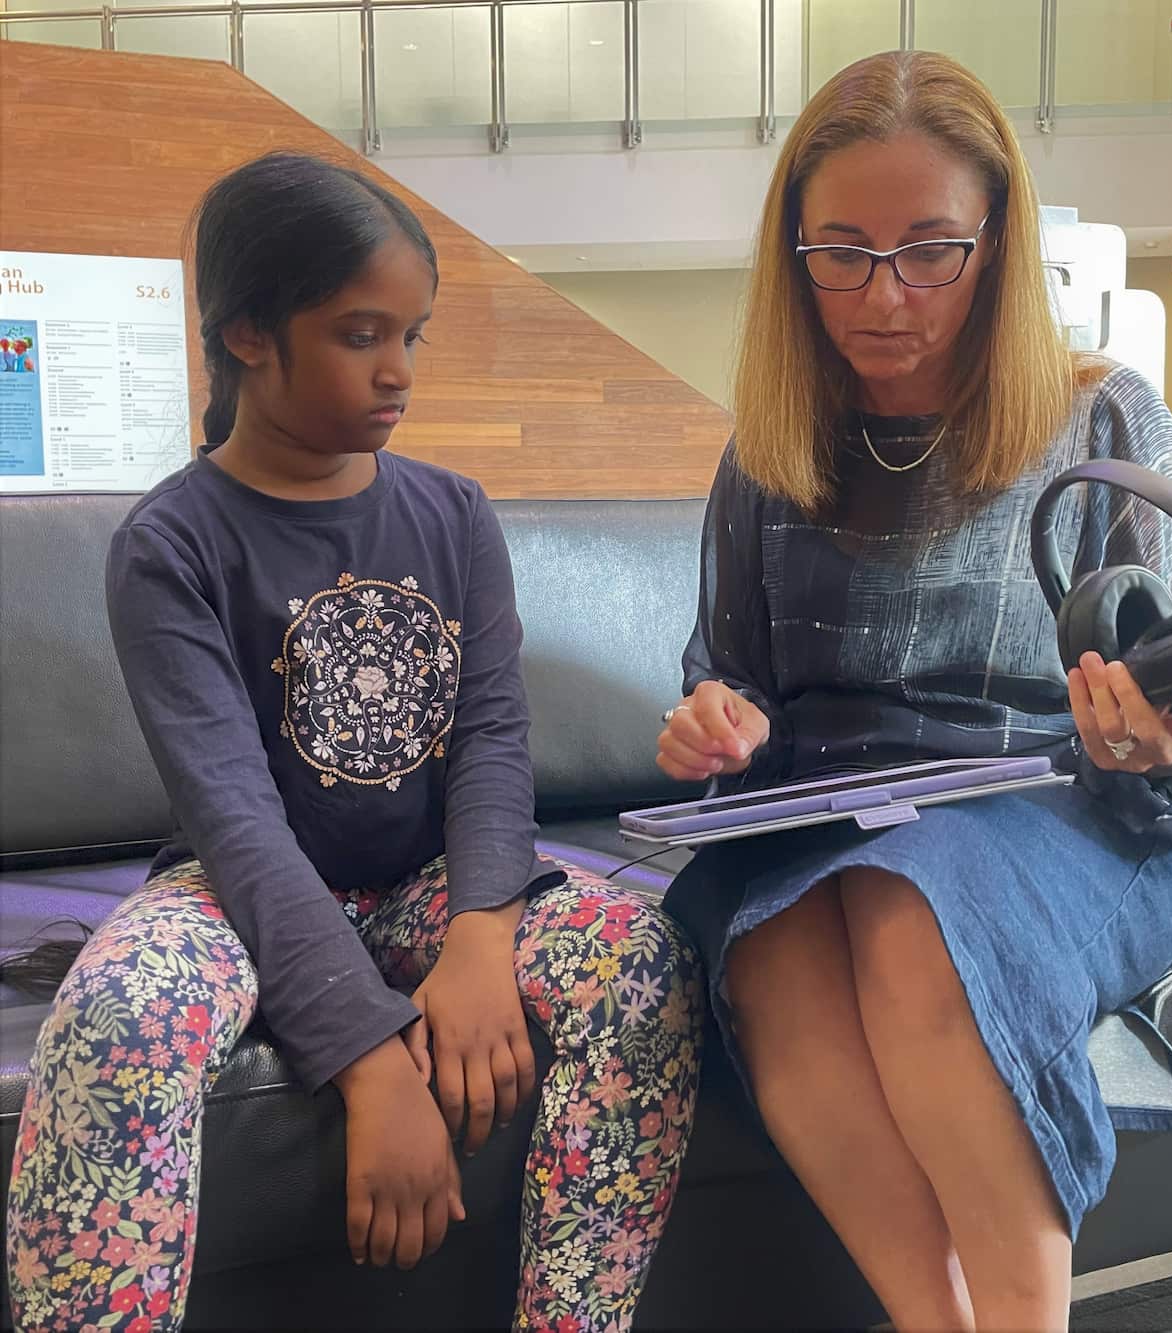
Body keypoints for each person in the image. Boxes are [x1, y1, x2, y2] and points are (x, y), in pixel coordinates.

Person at [4, 153, 702, 1333]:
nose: (398, 371)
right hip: (236, 891)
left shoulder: (452, 512)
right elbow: (233, 817)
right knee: (119, 1016)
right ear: (246, 336)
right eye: (360, 333)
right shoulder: (168, 544)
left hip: (435, 883)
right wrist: (371, 1059)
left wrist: (482, 932)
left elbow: (489, 738)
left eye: (414, 334)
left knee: (642, 960)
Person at [655, 51, 1172, 1333]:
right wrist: (716, 722)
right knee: (771, 951)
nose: (884, 294)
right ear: (792, 254)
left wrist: (1156, 748)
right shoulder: (765, 455)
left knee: (904, 910)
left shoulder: (1100, 418)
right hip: (827, 828)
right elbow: (726, 677)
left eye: (929, 248)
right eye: (842, 251)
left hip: (1064, 821)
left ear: (995, 243)